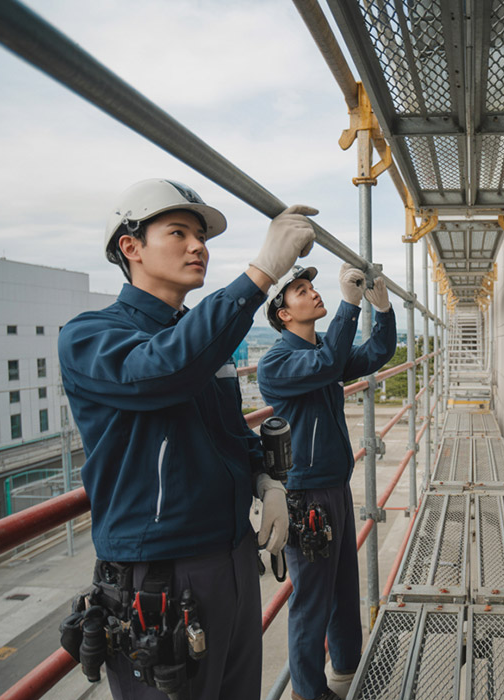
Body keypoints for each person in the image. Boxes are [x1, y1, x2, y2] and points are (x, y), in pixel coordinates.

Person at [58, 178, 318, 700]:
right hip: (160, 576)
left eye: (202, 237)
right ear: (130, 247)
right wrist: (262, 272)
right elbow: (162, 372)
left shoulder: (202, 335)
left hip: (232, 556)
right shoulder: (90, 335)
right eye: (178, 232)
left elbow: (227, 429)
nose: (198, 246)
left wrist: (265, 479)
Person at [257, 262, 397, 700]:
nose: (313, 293)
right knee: (312, 600)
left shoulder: (323, 350)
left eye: (312, 287)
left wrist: (383, 311)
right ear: (283, 314)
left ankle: (348, 664)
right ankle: (307, 692)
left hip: (334, 485)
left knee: (342, 585)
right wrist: (349, 306)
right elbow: (326, 364)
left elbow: (375, 354)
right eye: (301, 290)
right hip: (305, 495)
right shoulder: (276, 362)